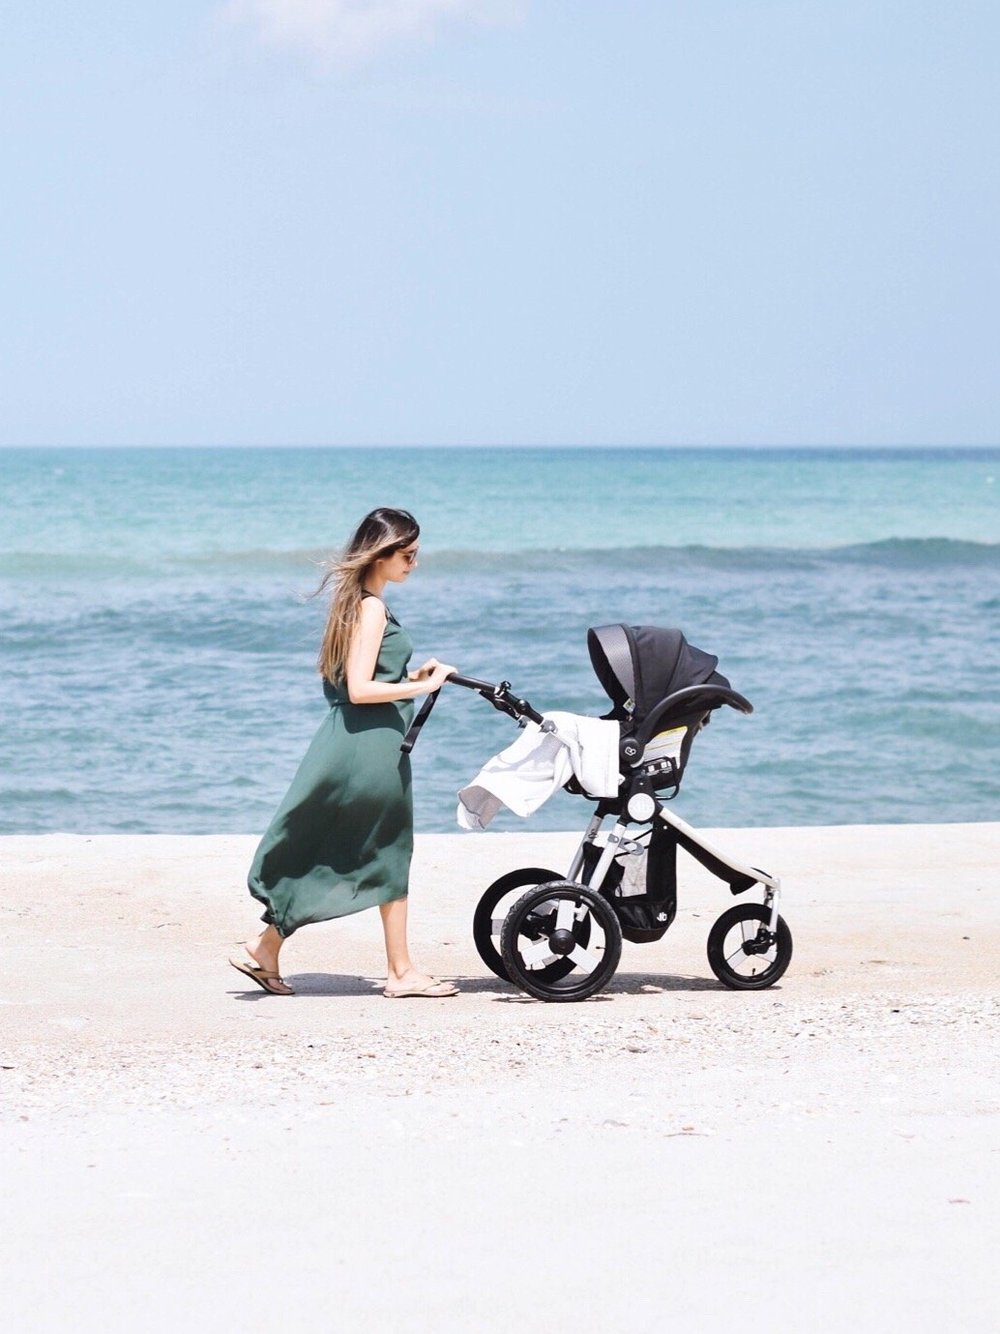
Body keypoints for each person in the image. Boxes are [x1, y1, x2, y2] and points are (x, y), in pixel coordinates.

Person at [229, 507, 459, 998]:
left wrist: (409, 678)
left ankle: (265, 948)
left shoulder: (352, 602)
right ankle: (400, 973)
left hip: (347, 740)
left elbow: (357, 679)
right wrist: (424, 687)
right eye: (408, 554)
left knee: (338, 846)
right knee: (390, 850)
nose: (414, 563)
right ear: (382, 554)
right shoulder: (372, 607)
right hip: (371, 747)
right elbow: (357, 687)